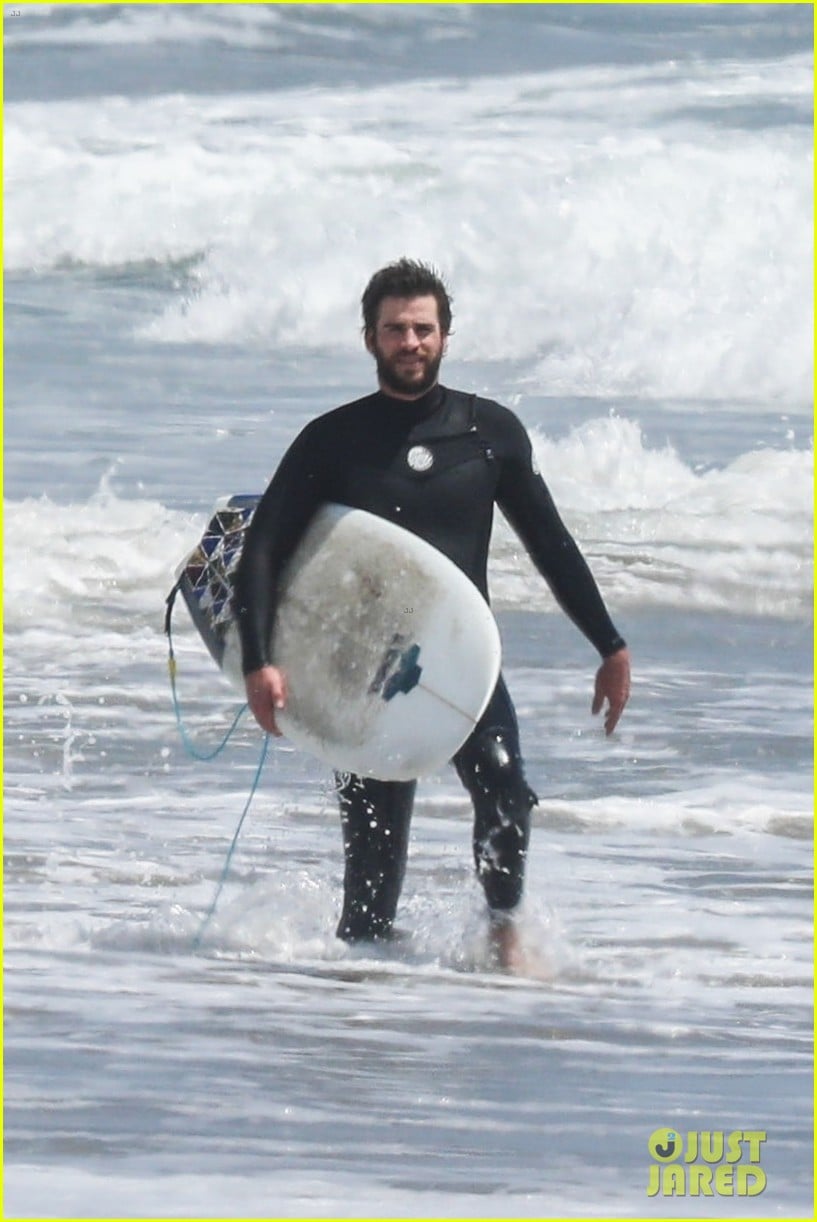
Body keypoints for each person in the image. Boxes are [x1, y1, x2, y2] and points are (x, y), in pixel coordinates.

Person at [234, 258, 630, 967]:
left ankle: (501, 933)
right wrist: (259, 661)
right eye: (394, 330)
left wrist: (608, 644)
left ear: (445, 335)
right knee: (372, 869)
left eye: (422, 328)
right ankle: (362, 1005)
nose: (409, 342)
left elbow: (549, 541)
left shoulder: (489, 433)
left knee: (506, 790)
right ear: (369, 339)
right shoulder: (332, 439)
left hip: (459, 663)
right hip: (361, 671)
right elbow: (263, 549)